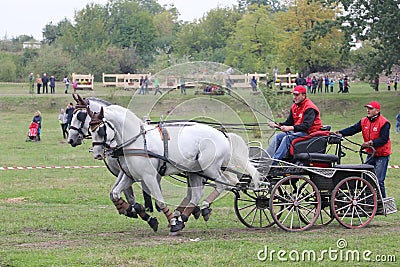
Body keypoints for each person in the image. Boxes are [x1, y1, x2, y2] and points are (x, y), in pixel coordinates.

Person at [336, 101, 391, 198]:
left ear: (377, 110)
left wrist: (370, 143)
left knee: (378, 180)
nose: (368, 110)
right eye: (367, 108)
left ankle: (383, 203)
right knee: (366, 179)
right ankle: (370, 202)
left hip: (382, 155)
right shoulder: (364, 121)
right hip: (371, 154)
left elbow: (384, 139)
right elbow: (353, 129)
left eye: (371, 109)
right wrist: (340, 133)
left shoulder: (384, 123)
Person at [266, 85, 323, 161]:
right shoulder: (294, 107)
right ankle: (266, 159)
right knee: (278, 136)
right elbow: (289, 122)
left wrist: (290, 128)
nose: (294, 97)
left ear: (303, 95)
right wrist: (277, 125)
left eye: (297, 95)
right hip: (298, 132)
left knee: (287, 138)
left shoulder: (310, 108)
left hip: (310, 133)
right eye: (294, 95)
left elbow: (306, 126)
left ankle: (275, 161)